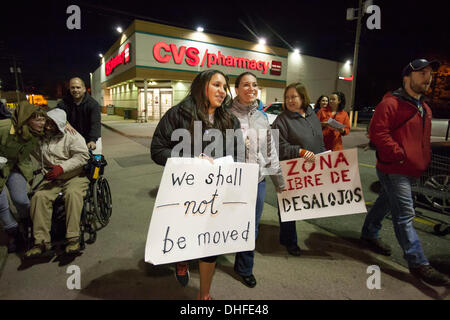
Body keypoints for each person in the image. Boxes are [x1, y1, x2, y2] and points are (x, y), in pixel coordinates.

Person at [151, 69, 243, 300]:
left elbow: (239, 156)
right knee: (186, 234)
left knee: (209, 243)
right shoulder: (177, 114)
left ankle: (204, 293)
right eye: (216, 85)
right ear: (202, 86)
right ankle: (182, 261)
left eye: (224, 87)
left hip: (216, 194)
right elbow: (157, 150)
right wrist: (191, 162)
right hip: (184, 192)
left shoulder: (230, 119)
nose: (222, 91)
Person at [361, 58, 450, 287]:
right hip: (394, 168)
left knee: (386, 202)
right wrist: (399, 154)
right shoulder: (390, 103)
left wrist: (424, 159)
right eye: (422, 73)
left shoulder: (425, 109)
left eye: (430, 74)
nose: (428, 78)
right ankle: (418, 262)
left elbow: (423, 141)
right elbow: (377, 133)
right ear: (407, 77)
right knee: (405, 215)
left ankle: (369, 233)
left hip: (412, 168)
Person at [229, 72, 285, 288]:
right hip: (231, 181)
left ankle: (244, 267)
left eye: (254, 85)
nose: (251, 88)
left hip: (257, 181)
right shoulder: (225, 115)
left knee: (251, 227)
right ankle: (210, 260)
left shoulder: (262, 117)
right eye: (246, 85)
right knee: (223, 223)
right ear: (236, 90)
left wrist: (279, 182)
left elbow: (270, 151)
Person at [25, 108, 90, 258]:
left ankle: (73, 238)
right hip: (53, 178)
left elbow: (83, 156)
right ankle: (41, 242)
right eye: (46, 122)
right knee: (39, 197)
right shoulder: (40, 138)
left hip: (74, 175)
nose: (47, 126)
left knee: (73, 194)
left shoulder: (71, 136)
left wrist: (62, 168)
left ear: (59, 124)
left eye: (51, 124)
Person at [272, 83, 325, 256]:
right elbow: (277, 146)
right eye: (287, 97)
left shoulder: (312, 116)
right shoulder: (282, 120)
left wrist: (324, 156)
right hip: (290, 169)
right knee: (288, 206)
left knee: (300, 204)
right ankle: (289, 241)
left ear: (303, 97)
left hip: (310, 169)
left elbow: (319, 139)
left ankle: (285, 237)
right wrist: (300, 151)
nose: (290, 101)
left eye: (293, 97)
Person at [0, 101, 46, 253]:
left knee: (21, 199)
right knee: (2, 205)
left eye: (43, 119)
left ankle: (27, 225)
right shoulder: (5, 127)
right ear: (26, 119)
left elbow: (56, 121)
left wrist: (66, 123)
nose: (42, 123)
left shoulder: (35, 133)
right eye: (38, 119)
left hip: (16, 167)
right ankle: (13, 233)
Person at [56, 77, 101, 152]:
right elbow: (55, 115)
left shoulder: (93, 104)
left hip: (89, 138)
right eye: (72, 87)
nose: (75, 90)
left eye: (78, 87)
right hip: (70, 139)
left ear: (84, 89)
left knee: (96, 160)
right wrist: (65, 122)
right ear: (69, 89)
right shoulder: (63, 103)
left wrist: (92, 140)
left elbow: (95, 123)